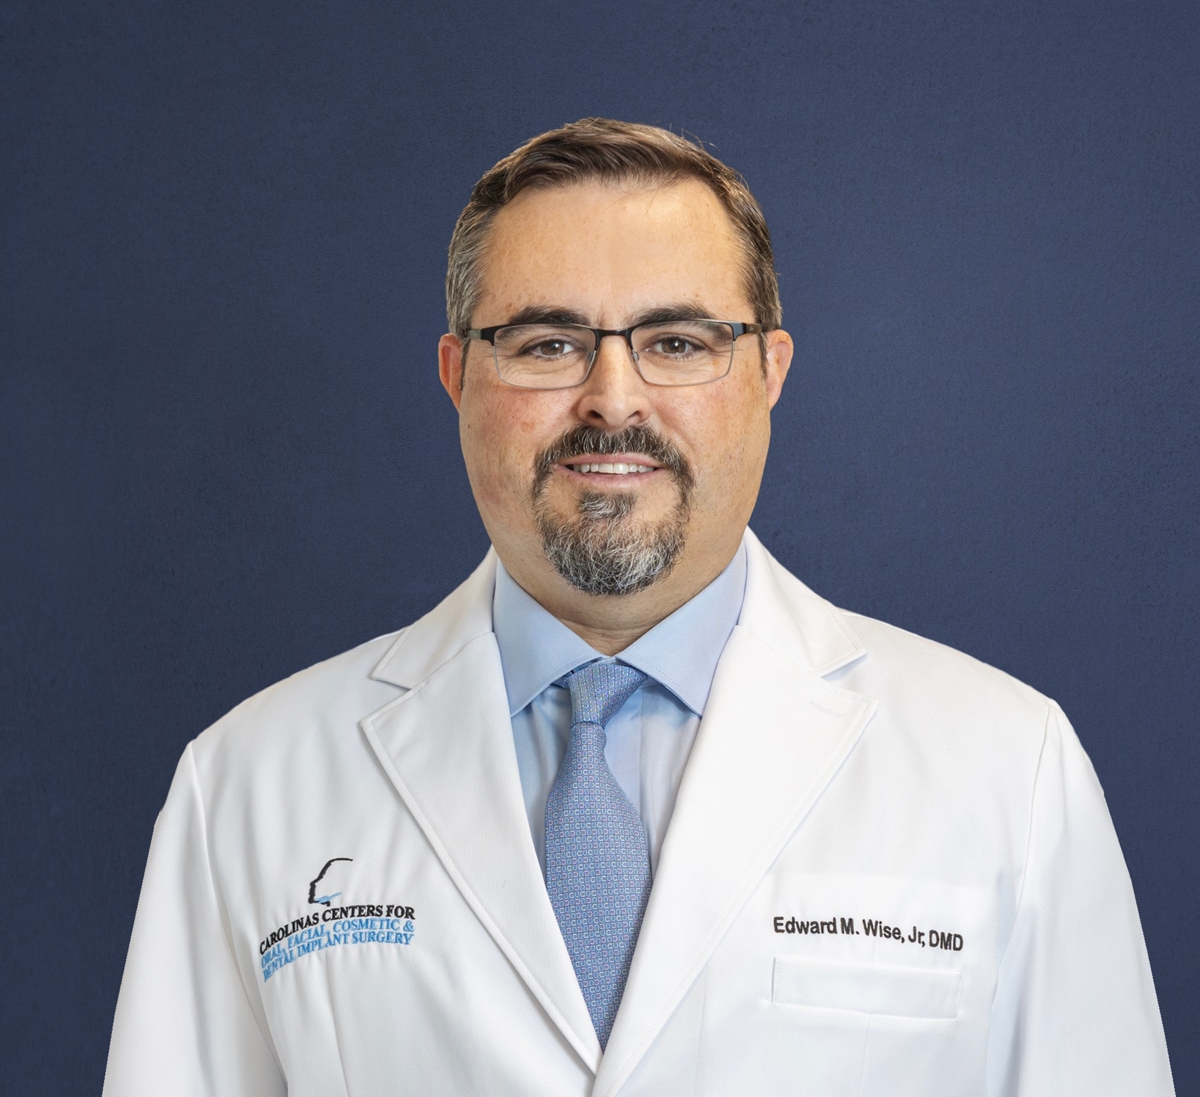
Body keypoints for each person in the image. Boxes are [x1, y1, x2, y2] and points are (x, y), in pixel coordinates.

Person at [104, 118, 1174, 1096]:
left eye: (677, 341)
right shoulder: (246, 784)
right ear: (456, 378)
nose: (612, 400)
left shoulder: (1006, 768)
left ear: (769, 373)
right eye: (546, 342)